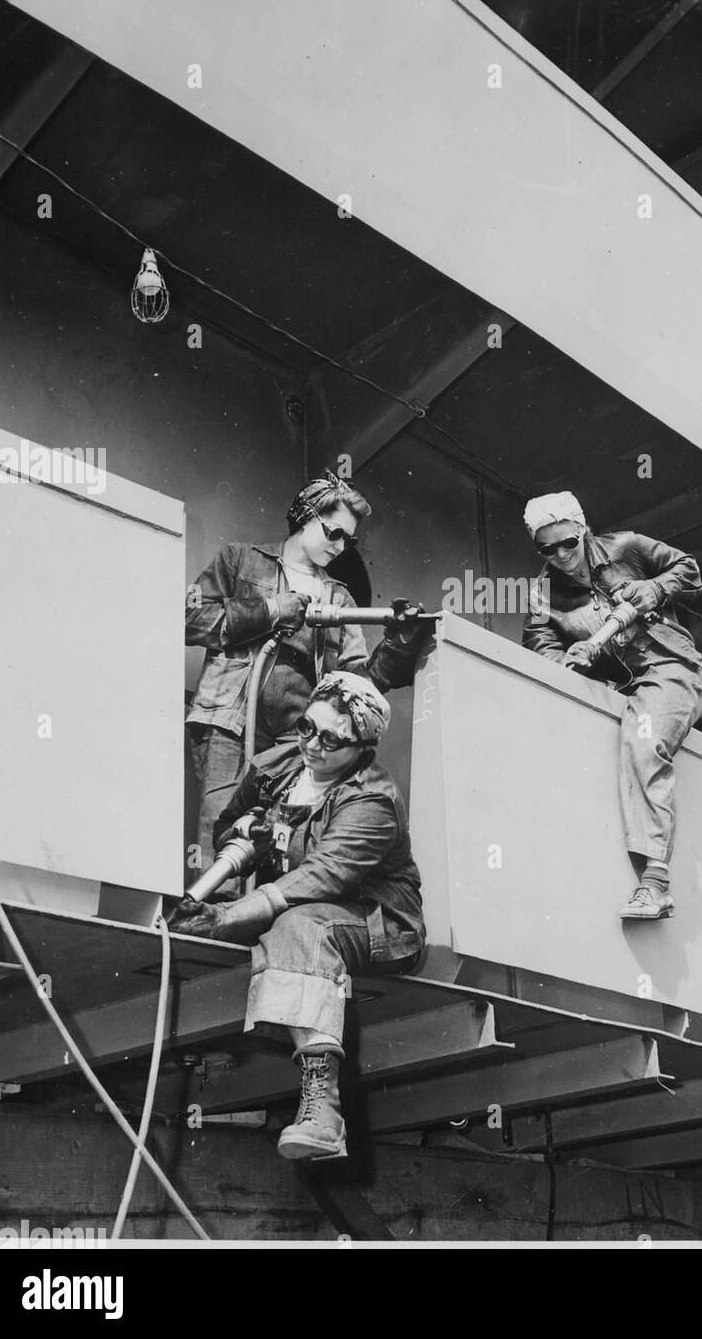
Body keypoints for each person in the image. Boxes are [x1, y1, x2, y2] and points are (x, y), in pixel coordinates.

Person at [169, 671, 425, 1162]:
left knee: (297, 926)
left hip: (376, 920)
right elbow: (227, 823)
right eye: (308, 727)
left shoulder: (372, 800)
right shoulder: (280, 764)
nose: (313, 745)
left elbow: (323, 877)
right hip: (295, 908)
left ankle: (324, 1116)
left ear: (361, 746)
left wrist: (226, 918)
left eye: (331, 739)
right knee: (287, 924)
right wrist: (244, 832)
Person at [185, 470, 427, 863]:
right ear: (305, 514)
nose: (340, 546)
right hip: (229, 721)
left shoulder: (340, 598)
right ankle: (207, 920)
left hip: (298, 736)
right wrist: (270, 609)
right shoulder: (240, 560)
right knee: (222, 831)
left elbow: (357, 682)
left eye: (349, 540)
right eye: (333, 532)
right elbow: (189, 619)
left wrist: (399, 643)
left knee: (280, 843)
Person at [521, 491, 702, 921]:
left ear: (582, 529)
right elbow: (539, 644)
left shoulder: (627, 547)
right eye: (547, 548)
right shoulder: (541, 593)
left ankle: (655, 882)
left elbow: (689, 569)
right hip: (610, 691)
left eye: (568, 542)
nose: (561, 555)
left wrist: (654, 588)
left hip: (667, 669)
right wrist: (568, 660)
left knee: (644, 743)